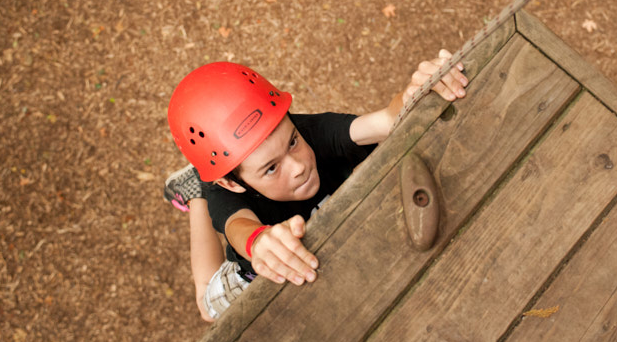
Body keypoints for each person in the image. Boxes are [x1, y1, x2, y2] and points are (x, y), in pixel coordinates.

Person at [163, 51, 468, 321]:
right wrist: (259, 242)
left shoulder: (311, 131)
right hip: (259, 265)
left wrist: (416, 93)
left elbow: (384, 121)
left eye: (292, 142)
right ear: (230, 181)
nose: (299, 167)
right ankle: (196, 190)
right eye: (271, 168)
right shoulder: (223, 192)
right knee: (208, 307)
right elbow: (238, 225)